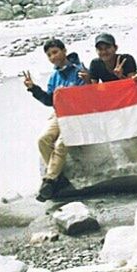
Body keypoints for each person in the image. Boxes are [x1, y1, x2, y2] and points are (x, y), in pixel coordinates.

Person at [23, 38, 86, 201]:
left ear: (64, 51)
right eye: (49, 55)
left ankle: (49, 180)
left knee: (60, 144)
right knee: (42, 140)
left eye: (55, 52)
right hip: (59, 115)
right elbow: (49, 100)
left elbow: (87, 93)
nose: (53, 57)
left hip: (78, 116)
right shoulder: (54, 78)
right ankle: (59, 180)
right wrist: (33, 89)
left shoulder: (79, 70)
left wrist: (87, 81)